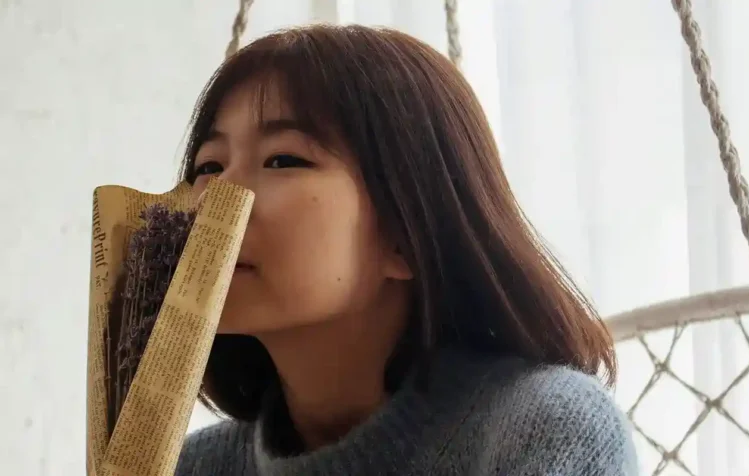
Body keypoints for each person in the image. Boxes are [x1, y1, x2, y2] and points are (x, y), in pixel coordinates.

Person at [175, 24, 637, 476]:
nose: (213, 200)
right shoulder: (189, 465)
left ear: (405, 235)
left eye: (282, 159)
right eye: (208, 166)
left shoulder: (551, 430)